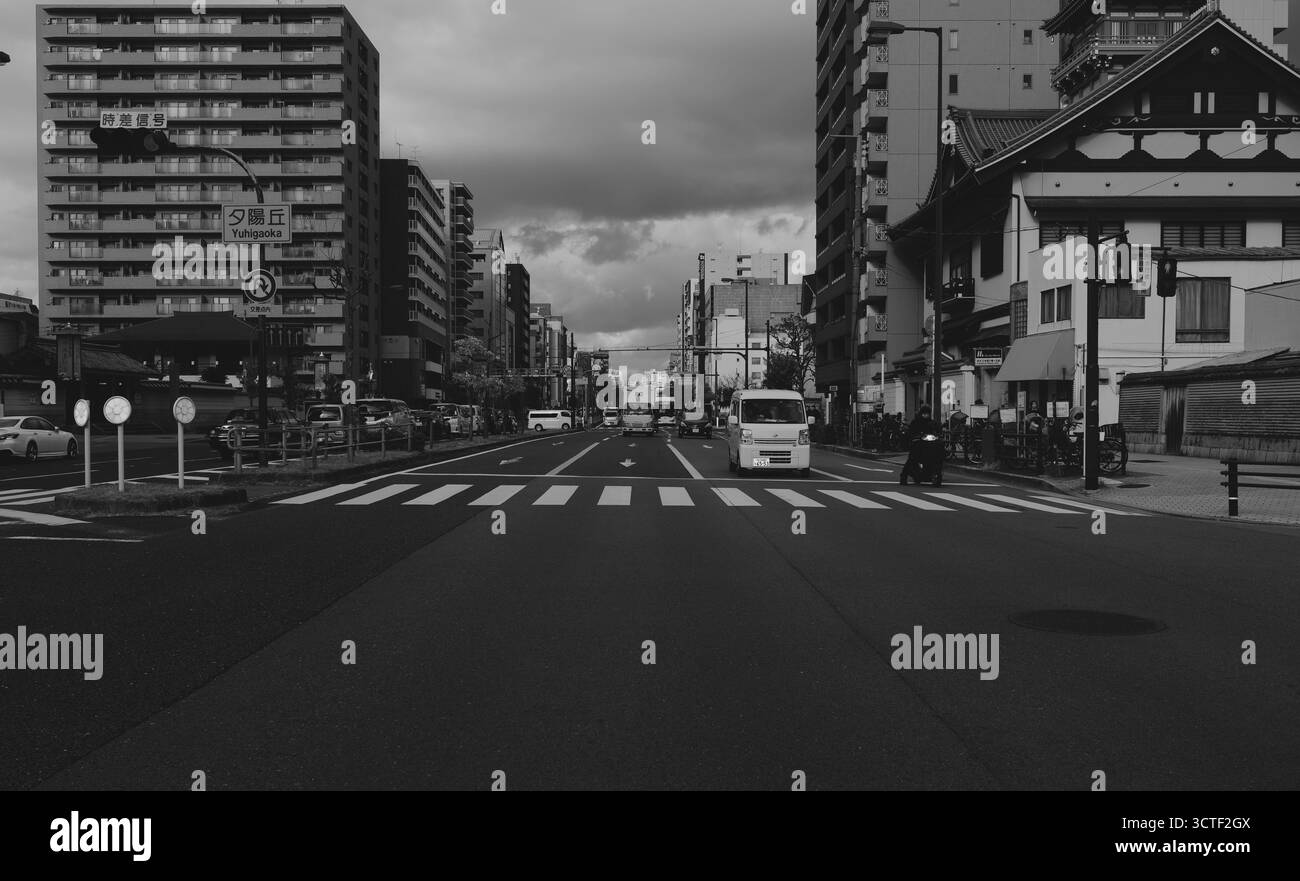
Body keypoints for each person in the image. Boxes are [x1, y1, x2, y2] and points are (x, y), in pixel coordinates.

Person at [899, 404, 941, 485]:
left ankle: (936, 473)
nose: (926, 415)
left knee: (938, 453)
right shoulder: (916, 422)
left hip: (930, 444)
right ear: (921, 413)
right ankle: (903, 476)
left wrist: (938, 435)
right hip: (918, 443)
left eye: (927, 413)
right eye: (924, 413)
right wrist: (916, 436)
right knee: (912, 458)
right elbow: (911, 432)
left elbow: (937, 431)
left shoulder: (932, 422)